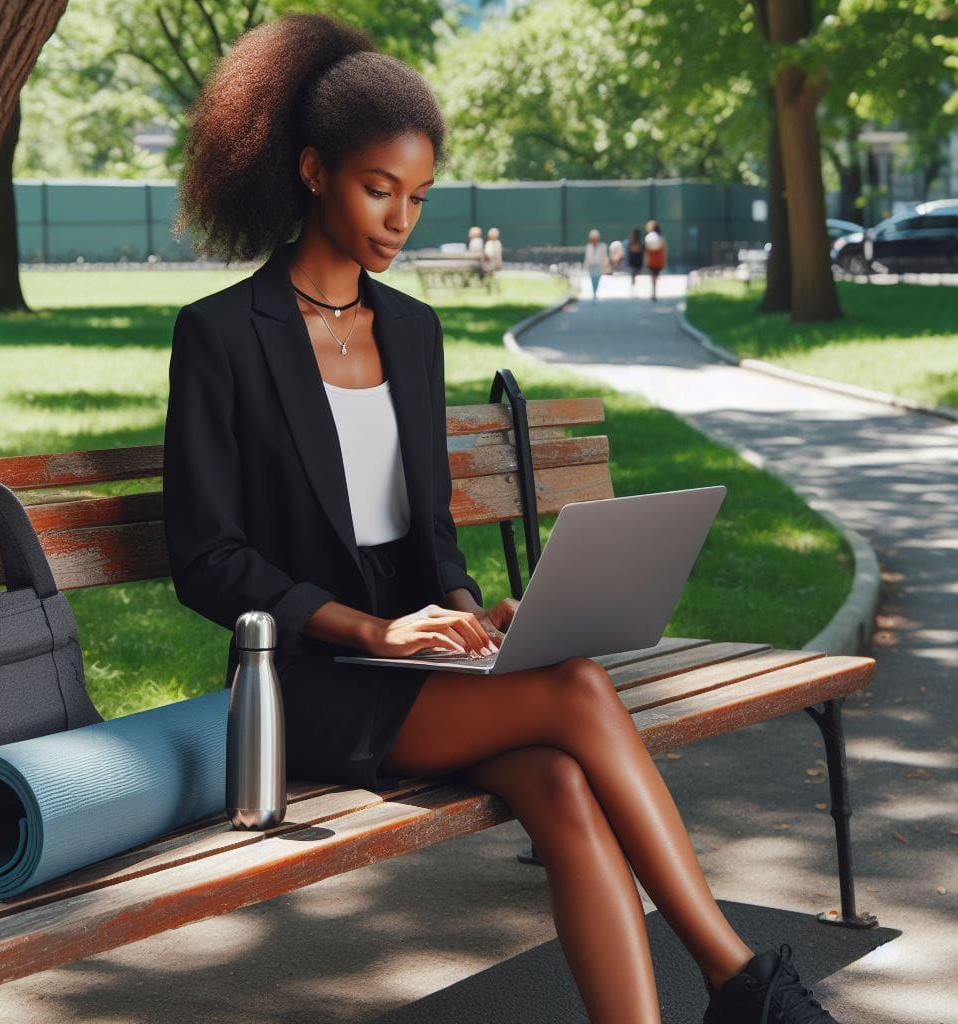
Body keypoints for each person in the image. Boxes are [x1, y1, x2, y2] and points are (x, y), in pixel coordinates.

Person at [165, 14, 846, 1024]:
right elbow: (207, 560)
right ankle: (738, 980)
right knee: (574, 692)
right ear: (312, 171)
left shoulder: (411, 326)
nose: (400, 219)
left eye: (418, 198)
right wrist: (374, 630)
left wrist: (464, 608)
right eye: (377, 189)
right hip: (305, 685)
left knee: (564, 790)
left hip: (428, 669)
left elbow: (428, 526)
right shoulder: (221, 333)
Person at [644, 218, 668, 301]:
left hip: (655, 260)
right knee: (654, 276)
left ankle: (654, 293)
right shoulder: (659, 238)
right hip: (655, 260)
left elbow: (663, 250)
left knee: (654, 277)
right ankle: (654, 293)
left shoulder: (655, 238)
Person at [582, 228, 609, 301]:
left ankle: (595, 292)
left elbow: (604, 257)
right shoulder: (588, 246)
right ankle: (594, 293)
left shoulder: (602, 246)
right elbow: (587, 258)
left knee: (597, 279)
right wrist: (585, 267)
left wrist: (605, 267)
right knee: (592, 279)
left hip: (599, 266)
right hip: (591, 266)